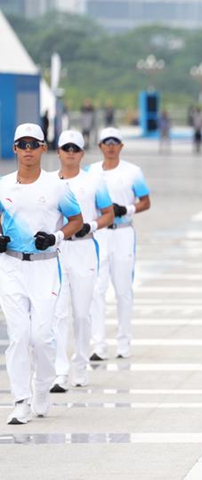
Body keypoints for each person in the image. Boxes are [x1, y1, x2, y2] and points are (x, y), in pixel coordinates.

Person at [0, 123, 83, 424]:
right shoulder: (3, 185)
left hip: (46, 266)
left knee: (42, 337)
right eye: (22, 144)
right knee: (19, 335)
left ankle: (41, 387)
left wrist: (56, 237)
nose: (28, 150)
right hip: (10, 267)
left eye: (33, 144)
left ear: (43, 148)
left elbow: (76, 220)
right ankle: (20, 400)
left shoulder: (57, 187)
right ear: (14, 149)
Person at [51, 130, 114, 392]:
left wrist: (91, 226)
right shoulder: (48, 182)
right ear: (58, 152)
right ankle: (59, 371)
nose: (70, 153)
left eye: (75, 148)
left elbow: (109, 214)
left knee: (81, 312)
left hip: (85, 249)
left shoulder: (94, 182)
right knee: (57, 313)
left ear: (82, 153)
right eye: (66, 148)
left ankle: (80, 364)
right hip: (56, 251)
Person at [88, 127, 151, 361]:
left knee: (123, 290)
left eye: (115, 142)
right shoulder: (91, 172)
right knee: (97, 290)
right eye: (106, 142)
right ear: (100, 146)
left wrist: (128, 209)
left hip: (123, 233)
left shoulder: (133, 172)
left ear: (121, 146)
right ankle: (98, 345)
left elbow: (146, 201)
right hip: (101, 234)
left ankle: (124, 343)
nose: (111, 146)